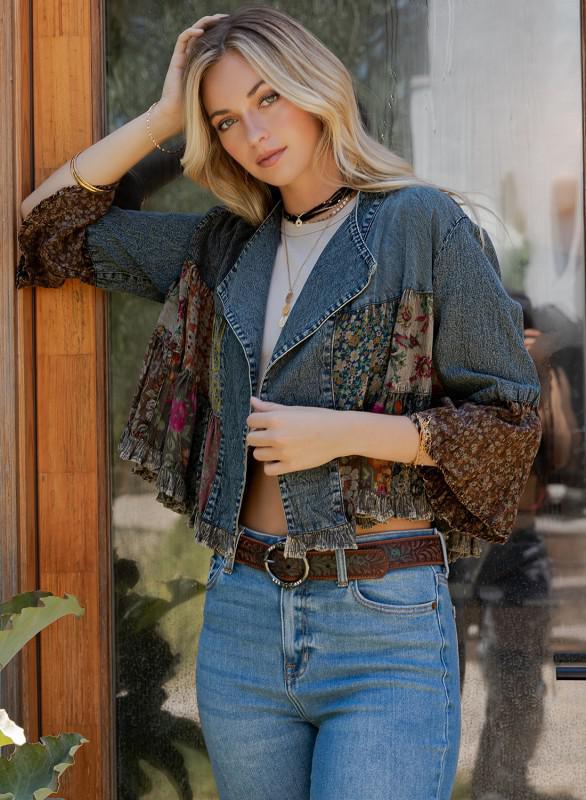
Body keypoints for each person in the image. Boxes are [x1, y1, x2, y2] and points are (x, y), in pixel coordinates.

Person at [16, 7, 542, 799]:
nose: (252, 131)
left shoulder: (418, 223)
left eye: (268, 98)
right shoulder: (224, 247)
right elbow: (44, 232)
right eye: (225, 119)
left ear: (314, 87)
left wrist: (344, 433)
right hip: (245, 619)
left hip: (384, 621)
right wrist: (166, 116)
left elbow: (509, 422)